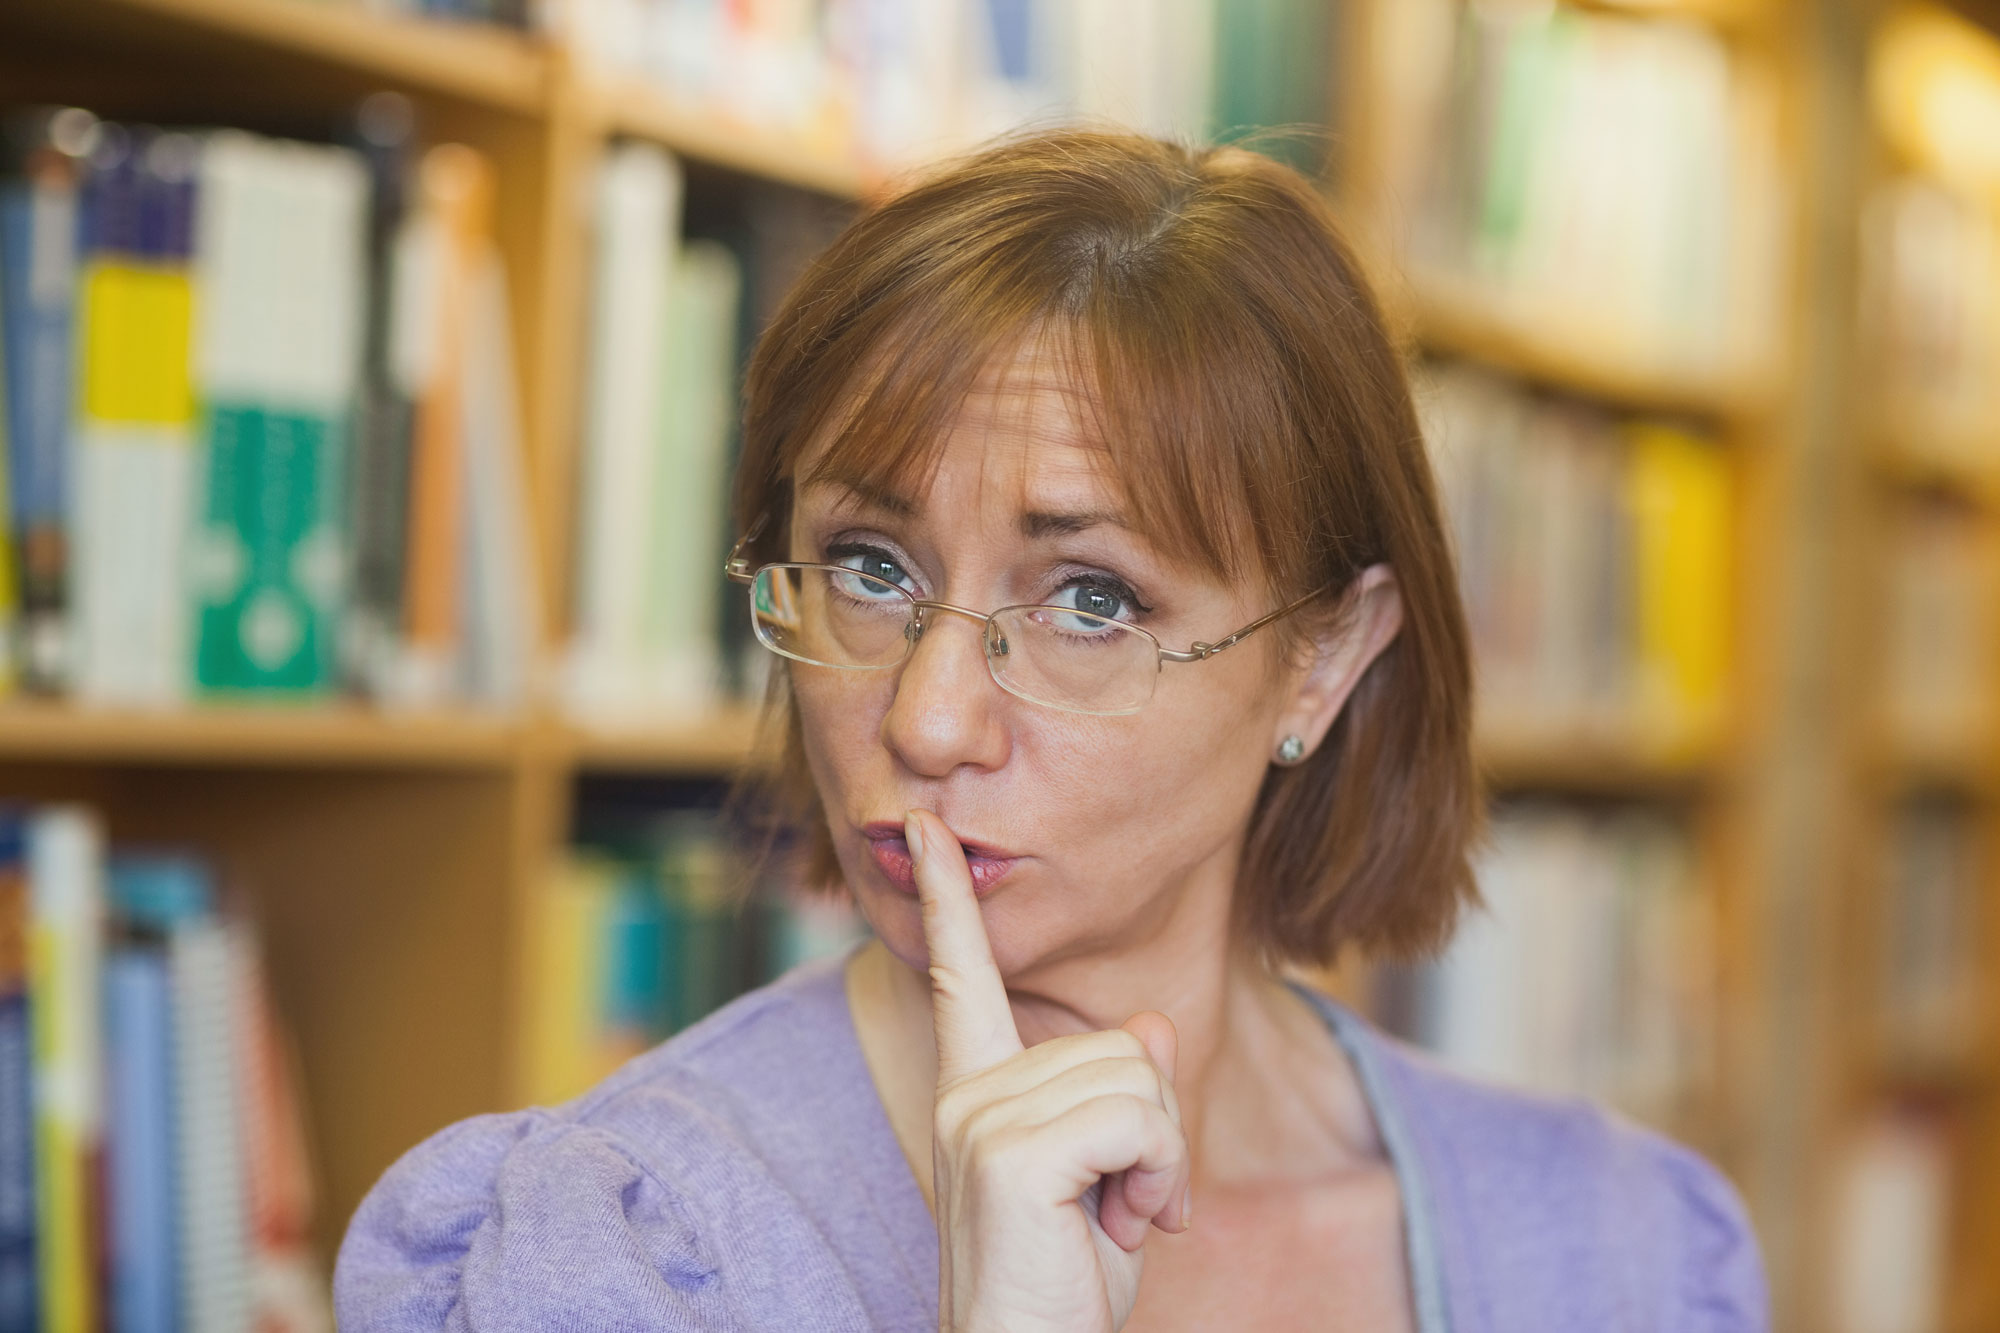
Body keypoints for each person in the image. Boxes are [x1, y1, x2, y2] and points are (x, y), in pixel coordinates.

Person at [334, 128, 1769, 1332]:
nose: (928, 716)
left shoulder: (1619, 1254)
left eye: (1092, 596)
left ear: (1324, 657)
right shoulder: (614, 1257)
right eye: (871, 568)